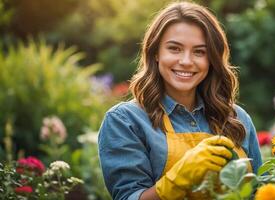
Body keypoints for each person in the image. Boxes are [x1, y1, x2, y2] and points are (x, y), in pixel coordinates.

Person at [98, 1, 262, 200]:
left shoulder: (236, 118)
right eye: (174, 49)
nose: (186, 61)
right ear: (156, 52)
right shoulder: (125, 121)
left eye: (199, 52)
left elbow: (258, 191)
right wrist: (179, 177)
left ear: (212, 59)